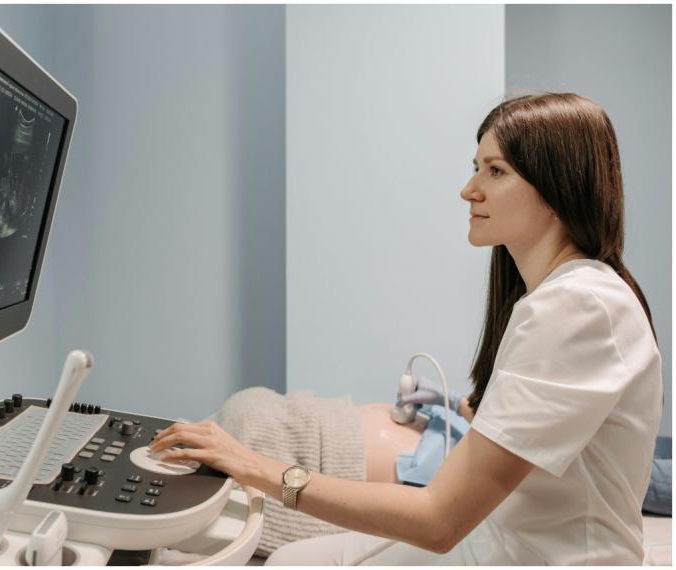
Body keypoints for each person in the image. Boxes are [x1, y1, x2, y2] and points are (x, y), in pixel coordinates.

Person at [150, 93, 662, 565]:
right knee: (294, 559)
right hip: (499, 541)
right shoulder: (561, 298)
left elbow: (439, 520)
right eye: (475, 167)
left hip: (537, 557)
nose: (469, 189)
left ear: (555, 192)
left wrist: (256, 467)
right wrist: (465, 408)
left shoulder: (579, 307)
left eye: (496, 171)